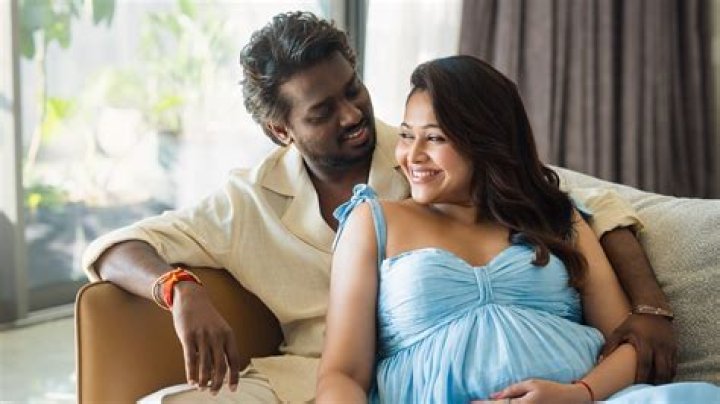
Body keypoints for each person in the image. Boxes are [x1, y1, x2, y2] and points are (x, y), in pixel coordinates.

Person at [83, 12, 675, 403]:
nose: (352, 116)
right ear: (280, 131)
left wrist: (649, 308)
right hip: (319, 375)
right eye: (322, 112)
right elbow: (116, 246)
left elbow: (585, 204)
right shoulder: (247, 201)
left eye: (354, 90)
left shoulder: (430, 153)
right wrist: (179, 288)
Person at [316, 55, 719, 403]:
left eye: (435, 138)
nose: (412, 155)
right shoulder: (373, 221)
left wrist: (578, 394)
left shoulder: (556, 217)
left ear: (485, 141)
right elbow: (342, 374)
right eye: (407, 135)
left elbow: (627, 343)